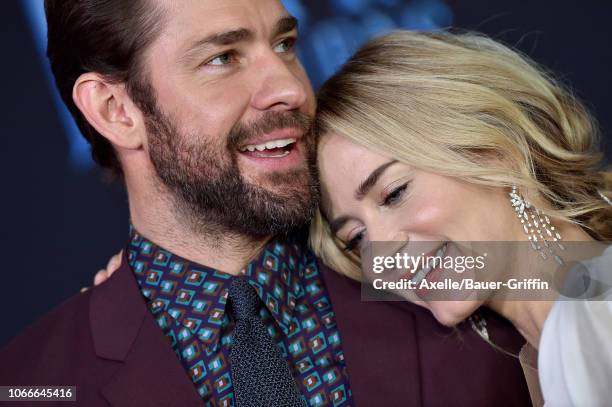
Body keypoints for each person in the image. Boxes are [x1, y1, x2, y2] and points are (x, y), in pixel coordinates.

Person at [0, 2, 531, 406]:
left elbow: (582, 282)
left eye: (284, 45)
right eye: (223, 58)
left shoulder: (436, 270)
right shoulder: (32, 384)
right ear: (116, 110)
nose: (290, 88)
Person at [309, 30, 612, 405]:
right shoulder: (547, 351)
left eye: (395, 193)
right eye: (357, 237)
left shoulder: (597, 316)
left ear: (494, 150)